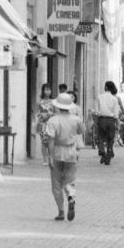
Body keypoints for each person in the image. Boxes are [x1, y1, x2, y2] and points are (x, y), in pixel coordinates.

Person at [44, 93, 85, 221]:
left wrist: (49, 156)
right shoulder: (76, 119)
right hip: (71, 152)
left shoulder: (53, 120)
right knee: (70, 181)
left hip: (56, 152)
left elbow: (50, 139)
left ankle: (61, 211)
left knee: (56, 183)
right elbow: (81, 131)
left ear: (58, 106)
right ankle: (71, 197)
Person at [95, 81, 124, 165]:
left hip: (102, 119)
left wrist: (96, 122)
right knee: (110, 139)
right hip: (111, 120)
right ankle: (109, 155)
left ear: (106, 87)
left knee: (100, 137)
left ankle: (102, 152)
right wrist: (117, 124)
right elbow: (116, 114)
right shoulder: (114, 99)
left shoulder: (99, 97)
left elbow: (97, 112)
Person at [36, 83, 55, 166]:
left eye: (49, 90)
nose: (47, 92)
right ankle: (45, 160)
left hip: (51, 123)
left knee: (51, 141)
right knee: (44, 141)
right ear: (43, 91)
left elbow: (56, 113)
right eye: (46, 90)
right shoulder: (40, 102)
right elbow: (37, 113)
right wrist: (41, 117)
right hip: (42, 123)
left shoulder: (53, 102)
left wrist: (49, 114)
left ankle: (51, 158)